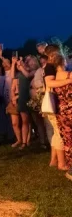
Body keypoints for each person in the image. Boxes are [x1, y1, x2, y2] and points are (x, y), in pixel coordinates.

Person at [47, 50, 72, 179]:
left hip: (61, 112)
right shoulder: (69, 75)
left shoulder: (55, 78)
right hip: (70, 110)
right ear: (63, 61)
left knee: (68, 139)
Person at [11, 56, 35, 148]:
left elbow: (28, 75)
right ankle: (24, 142)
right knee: (25, 120)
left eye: (28, 60)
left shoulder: (32, 71)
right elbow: (13, 77)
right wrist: (13, 64)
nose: (26, 61)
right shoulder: (20, 72)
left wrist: (21, 66)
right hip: (22, 97)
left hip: (30, 97)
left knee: (32, 121)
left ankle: (35, 140)